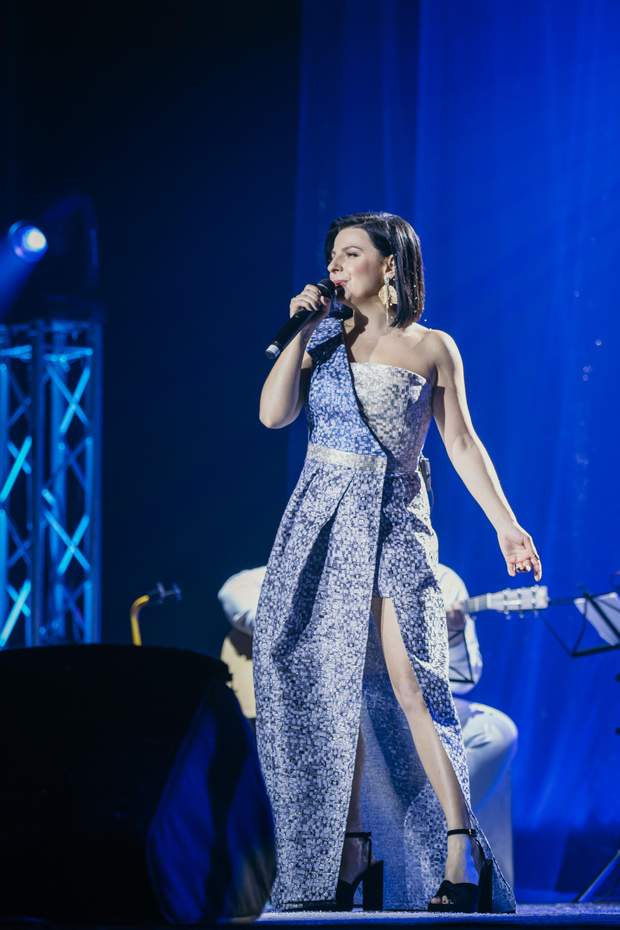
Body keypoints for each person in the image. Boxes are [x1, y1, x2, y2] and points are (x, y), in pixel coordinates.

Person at [253, 211, 541, 913]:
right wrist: (299, 331)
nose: (335, 265)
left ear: (389, 265)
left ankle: (459, 852)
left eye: (351, 253)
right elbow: (273, 415)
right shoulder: (322, 337)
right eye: (332, 255)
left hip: (392, 524)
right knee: (332, 691)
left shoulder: (432, 347)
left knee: (413, 684)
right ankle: (349, 850)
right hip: (321, 524)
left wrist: (506, 525)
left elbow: (462, 443)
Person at [218, 560, 518, 885]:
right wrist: (310, 630)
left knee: (495, 731)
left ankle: (422, 832)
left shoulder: (442, 580)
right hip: (327, 707)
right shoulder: (321, 565)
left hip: (405, 708)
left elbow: (463, 680)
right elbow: (233, 591)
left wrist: (454, 635)